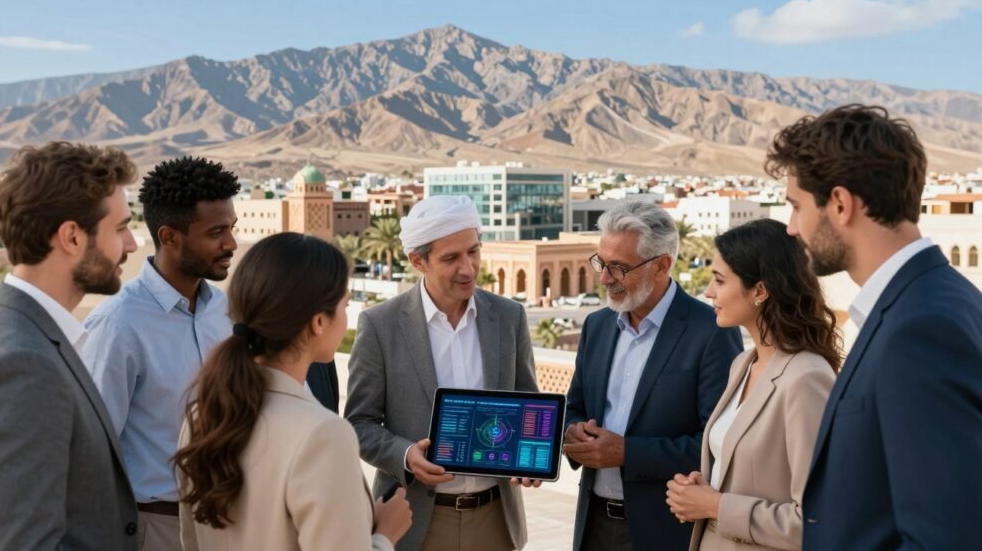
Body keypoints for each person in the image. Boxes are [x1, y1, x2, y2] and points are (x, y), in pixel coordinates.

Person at [766, 104, 982, 550]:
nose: (791, 228)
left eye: (796, 207)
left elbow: (944, 538)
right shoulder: (929, 300)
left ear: (841, 204)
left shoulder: (919, 331)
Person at [174, 232, 411, 550]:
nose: (346, 315)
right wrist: (384, 534)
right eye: (345, 303)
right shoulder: (323, 434)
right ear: (318, 322)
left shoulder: (204, 412)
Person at [0, 141, 140, 550]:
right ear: (72, 237)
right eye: (121, 228)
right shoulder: (21, 365)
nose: (130, 246)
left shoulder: (7, 329)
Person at [345, 195, 539, 551]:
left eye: (473, 251)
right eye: (451, 258)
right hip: (414, 523)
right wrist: (406, 455)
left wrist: (531, 457)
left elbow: (529, 406)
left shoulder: (509, 317)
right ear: (418, 260)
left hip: (496, 521)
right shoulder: (380, 325)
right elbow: (358, 422)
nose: (468, 268)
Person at [563, 200, 742, 551]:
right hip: (594, 526)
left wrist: (629, 452)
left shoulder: (711, 332)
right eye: (601, 263)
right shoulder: (596, 326)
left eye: (618, 267)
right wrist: (574, 430)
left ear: (661, 265)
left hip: (666, 532)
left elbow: (718, 446)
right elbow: (575, 407)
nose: (603, 279)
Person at [81, 157, 241, 551]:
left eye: (232, 229)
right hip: (156, 529)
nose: (231, 244)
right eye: (216, 232)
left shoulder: (222, 312)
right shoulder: (118, 325)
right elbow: (91, 450)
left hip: (229, 523)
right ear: (169, 237)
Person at [665, 219, 840, 550]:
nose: (708, 292)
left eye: (719, 280)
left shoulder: (806, 378)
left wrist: (715, 506)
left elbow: (819, 521)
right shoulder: (742, 365)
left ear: (760, 290)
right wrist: (701, 490)